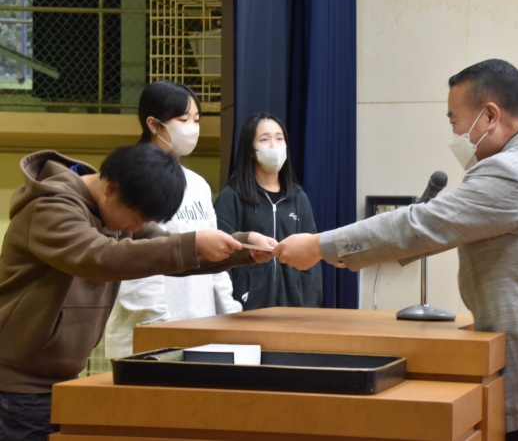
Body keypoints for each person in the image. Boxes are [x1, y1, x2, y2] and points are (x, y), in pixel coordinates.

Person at [273, 59, 518, 440]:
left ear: (490, 116)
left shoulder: (514, 170)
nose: (455, 134)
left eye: (455, 122)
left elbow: (420, 225)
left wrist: (318, 245)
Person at [0, 143, 274, 440]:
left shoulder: (113, 211)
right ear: (111, 190)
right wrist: (193, 243)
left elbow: (168, 252)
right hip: (17, 385)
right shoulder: (50, 208)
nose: (138, 227)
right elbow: (100, 257)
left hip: (60, 379)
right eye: (138, 219)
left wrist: (242, 248)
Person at [105, 81, 242, 359]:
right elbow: (136, 261)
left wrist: (229, 317)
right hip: (148, 338)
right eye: (183, 119)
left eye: (196, 120)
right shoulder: (133, 178)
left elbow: (214, 257)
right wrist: (159, 328)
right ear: (154, 125)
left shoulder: (198, 185)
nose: (192, 127)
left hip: (200, 333)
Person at [214, 113, 322, 309]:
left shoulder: (299, 199)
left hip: (293, 312)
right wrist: (228, 308)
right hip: (244, 312)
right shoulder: (232, 197)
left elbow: (312, 262)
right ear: (250, 150)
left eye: (279, 139)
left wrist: (309, 309)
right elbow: (219, 259)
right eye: (264, 139)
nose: (274, 146)